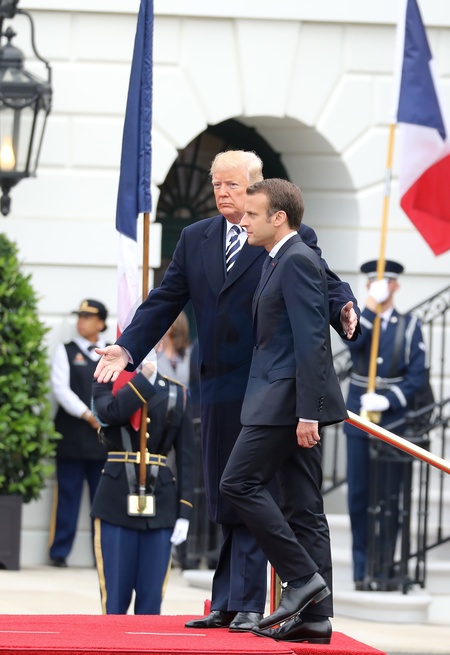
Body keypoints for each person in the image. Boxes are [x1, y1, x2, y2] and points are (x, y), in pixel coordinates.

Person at [94, 150, 359, 634]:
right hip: (217, 385)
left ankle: (260, 599)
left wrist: (343, 310)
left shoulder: (282, 236)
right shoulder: (196, 237)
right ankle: (233, 599)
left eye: (232, 185)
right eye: (216, 184)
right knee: (227, 491)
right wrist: (127, 348)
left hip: (271, 388)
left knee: (257, 489)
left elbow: (321, 284)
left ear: (257, 187)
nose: (221, 193)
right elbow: (165, 299)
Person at [219, 178, 347, 645]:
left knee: (237, 483)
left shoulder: (296, 259)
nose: (243, 221)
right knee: (304, 508)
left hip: (285, 405)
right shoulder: (279, 258)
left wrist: (308, 413)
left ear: (279, 218)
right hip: (284, 402)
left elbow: (313, 341)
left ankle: (301, 578)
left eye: (252, 214)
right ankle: (317, 618)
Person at [343, 260, 426, 591]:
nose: (380, 286)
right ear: (368, 287)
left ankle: (385, 568)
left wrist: (388, 399)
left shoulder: (410, 326)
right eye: (374, 282)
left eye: (386, 281)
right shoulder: (360, 319)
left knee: (390, 498)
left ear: (396, 285)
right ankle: (362, 569)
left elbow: (417, 375)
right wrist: (369, 308)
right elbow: (353, 344)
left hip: (392, 422)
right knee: (359, 496)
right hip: (358, 420)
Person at [90, 356, 194, 614]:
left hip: (161, 504)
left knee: (151, 601)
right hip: (115, 502)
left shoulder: (177, 392)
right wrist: (144, 378)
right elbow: (113, 413)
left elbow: (187, 459)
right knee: (114, 600)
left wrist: (185, 511)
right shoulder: (106, 380)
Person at [49, 299, 109, 567]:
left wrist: (105, 416)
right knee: (68, 495)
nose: (81, 321)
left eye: (88, 316)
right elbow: (61, 389)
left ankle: (101, 555)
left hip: (102, 441)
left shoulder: (110, 352)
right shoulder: (66, 350)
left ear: (101, 323)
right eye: (80, 316)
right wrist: (88, 415)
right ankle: (59, 552)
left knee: (101, 500)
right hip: (72, 437)